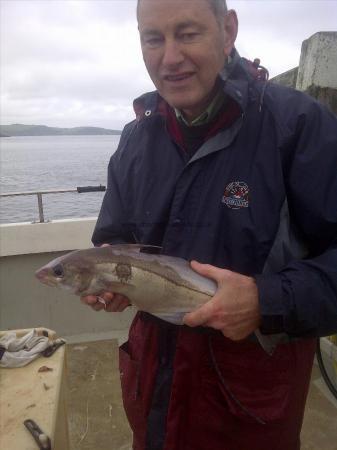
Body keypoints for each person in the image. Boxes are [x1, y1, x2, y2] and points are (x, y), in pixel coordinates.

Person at [82, 1, 337, 449]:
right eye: (153, 38)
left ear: (228, 29)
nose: (170, 57)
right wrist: (111, 281)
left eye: (188, 33)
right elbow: (115, 238)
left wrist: (265, 301)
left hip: (249, 406)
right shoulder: (134, 140)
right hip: (155, 390)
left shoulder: (297, 125)